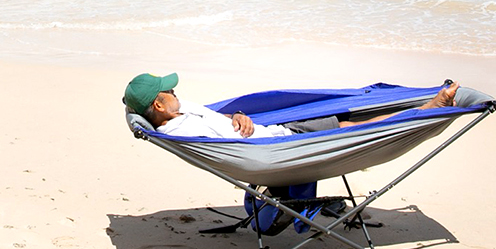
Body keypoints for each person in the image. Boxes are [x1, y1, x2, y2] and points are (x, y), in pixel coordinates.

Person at [122, 73, 461, 139]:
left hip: (273, 126)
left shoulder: (184, 111)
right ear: (159, 105)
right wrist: (245, 129)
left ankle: (419, 103)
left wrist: (238, 115)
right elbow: (229, 143)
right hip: (283, 141)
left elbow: (224, 120)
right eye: (169, 91)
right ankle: (428, 108)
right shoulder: (185, 130)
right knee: (354, 128)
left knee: (347, 110)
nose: (176, 90)